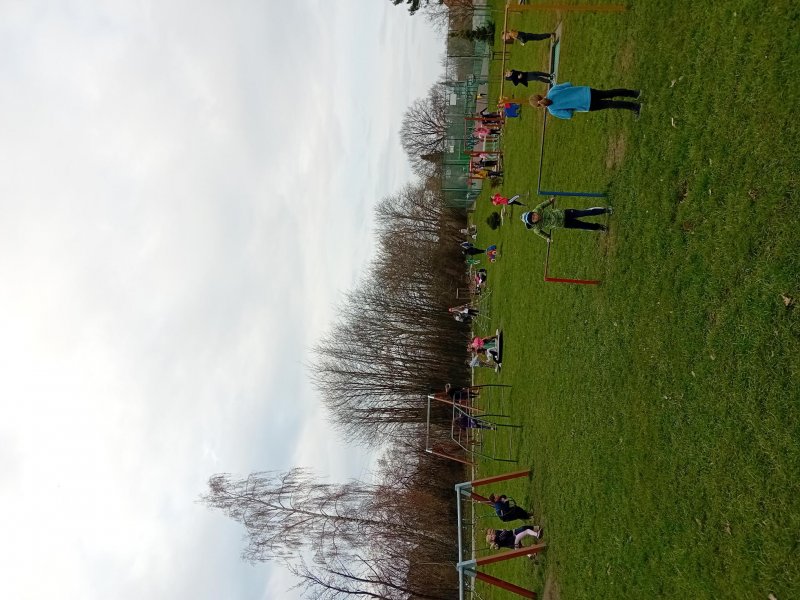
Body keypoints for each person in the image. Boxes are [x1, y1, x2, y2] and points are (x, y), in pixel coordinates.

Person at [521, 197, 612, 242]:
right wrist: (548, 237)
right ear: (533, 222)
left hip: (565, 213)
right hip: (564, 224)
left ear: (533, 212)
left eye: (533, 215)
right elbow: (542, 234)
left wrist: (550, 201)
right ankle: (599, 227)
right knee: (583, 225)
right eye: (533, 219)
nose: (535, 217)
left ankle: (605, 210)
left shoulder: (537, 209)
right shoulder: (536, 228)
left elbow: (543, 204)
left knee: (584, 213)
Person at [530, 82, 641, 118]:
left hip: (586, 105)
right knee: (609, 93)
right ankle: (634, 93)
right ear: (540, 95)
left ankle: (635, 106)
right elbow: (569, 84)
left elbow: (569, 115)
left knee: (610, 104)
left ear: (539, 107)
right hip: (587, 92)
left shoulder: (553, 111)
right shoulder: (552, 91)